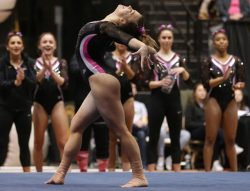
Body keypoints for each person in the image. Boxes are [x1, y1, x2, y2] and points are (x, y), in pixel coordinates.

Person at [46, 5, 160, 187]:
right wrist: (150, 50)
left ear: (122, 21)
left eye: (130, 12)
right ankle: (60, 173)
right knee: (76, 126)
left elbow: (124, 37)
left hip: (102, 81)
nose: (129, 7)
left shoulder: (107, 27)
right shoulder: (106, 29)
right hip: (100, 82)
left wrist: (141, 46)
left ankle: (139, 175)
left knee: (121, 131)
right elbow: (127, 38)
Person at [146, 24, 192, 172]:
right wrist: (159, 82)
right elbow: (144, 83)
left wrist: (183, 70)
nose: (166, 40)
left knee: (175, 136)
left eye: (169, 38)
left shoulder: (179, 59)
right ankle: (151, 170)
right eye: (164, 37)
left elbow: (189, 81)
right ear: (159, 39)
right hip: (157, 99)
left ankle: (177, 171)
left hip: (174, 99)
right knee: (153, 135)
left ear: (172, 40)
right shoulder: (152, 57)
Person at [201, 29, 245, 171]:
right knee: (210, 139)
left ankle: (235, 173)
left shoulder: (236, 60)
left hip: (230, 100)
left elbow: (241, 81)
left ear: (228, 42)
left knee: (231, 140)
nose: (221, 42)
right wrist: (222, 79)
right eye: (218, 39)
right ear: (213, 43)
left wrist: (239, 87)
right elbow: (205, 84)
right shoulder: (208, 61)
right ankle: (207, 172)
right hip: (214, 99)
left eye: (223, 39)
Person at [0, 31, 36, 172]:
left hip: (24, 108)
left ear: (23, 46)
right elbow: (1, 84)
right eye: (13, 43)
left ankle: (27, 174)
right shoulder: (2, 63)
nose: (16, 45)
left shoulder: (29, 62)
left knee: (24, 143)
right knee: (1, 141)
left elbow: (33, 84)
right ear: (7, 46)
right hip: (5, 108)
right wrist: (15, 83)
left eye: (18, 43)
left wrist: (24, 80)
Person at [33, 32, 68, 172]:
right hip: (39, 102)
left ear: (55, 46)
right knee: (38, 142)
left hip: (57, 102)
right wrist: (43, 68)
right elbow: (34, 81)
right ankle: (38, 175)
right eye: (44, 42)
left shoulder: (61, 62)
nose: (47, 44)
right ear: (39, 45)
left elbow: (64, 83)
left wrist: (51, 70)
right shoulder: (33, 63)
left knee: (62, 142)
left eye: (50, 42)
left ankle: (66, 173)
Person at [69, 54, 109, 172]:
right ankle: (83, 172)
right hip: (82, 100)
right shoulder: (78, 55)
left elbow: (110, 72)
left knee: (102, 138)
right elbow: (74, 70)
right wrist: (92, 65)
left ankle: (102, 172)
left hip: (101, 100)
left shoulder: (106, 55)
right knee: (82, 137)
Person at [105, 42, 136, 172]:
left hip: (127, 97)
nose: (121, 43)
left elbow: (133, 76)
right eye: (118, 40)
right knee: (113, 137)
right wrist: (120, 70)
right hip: (113, 98)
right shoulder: (108, 56)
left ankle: (126, 168)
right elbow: (108, 77)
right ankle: (111, 168)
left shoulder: (133, 57)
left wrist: (125, 67)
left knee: (127, 134)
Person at [185, 83, 225, 171]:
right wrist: (202, 124)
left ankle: (215, 162)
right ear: (194, 93)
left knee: (214, 134)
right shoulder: (190, 106)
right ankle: (229, 143)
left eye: (204, 90)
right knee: (211, 129)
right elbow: (188, 124)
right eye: (199, 90)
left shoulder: (209, 105)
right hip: (196, 131)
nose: (202, 92)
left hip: (209, 131)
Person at [131, 83, 148, 169]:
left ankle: (143, 163)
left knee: (141, 133)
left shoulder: (141, 105)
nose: (131, 89)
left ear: (136, 91)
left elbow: (145, 121)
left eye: (133, 87)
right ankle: (142, 163)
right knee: (142, 130)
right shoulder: (122, 104)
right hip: (128, 128)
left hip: (139, 128)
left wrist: (140, 123)